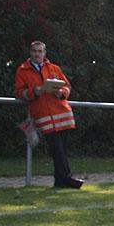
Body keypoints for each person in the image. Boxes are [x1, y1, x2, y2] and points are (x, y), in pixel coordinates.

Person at [14, 41, 84, 189]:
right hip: (44, 115)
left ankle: (60, 181)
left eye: (40, 51)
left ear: (45, 53)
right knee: (57, 149)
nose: (37, 54)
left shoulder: (54, 68)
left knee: (62, 149)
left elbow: (67, 86)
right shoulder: (22, 71)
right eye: (34, 51)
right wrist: (35, 92)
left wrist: (61, 92)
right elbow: (19, 92)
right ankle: (67, 178)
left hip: (62, 113)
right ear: (30, 52)